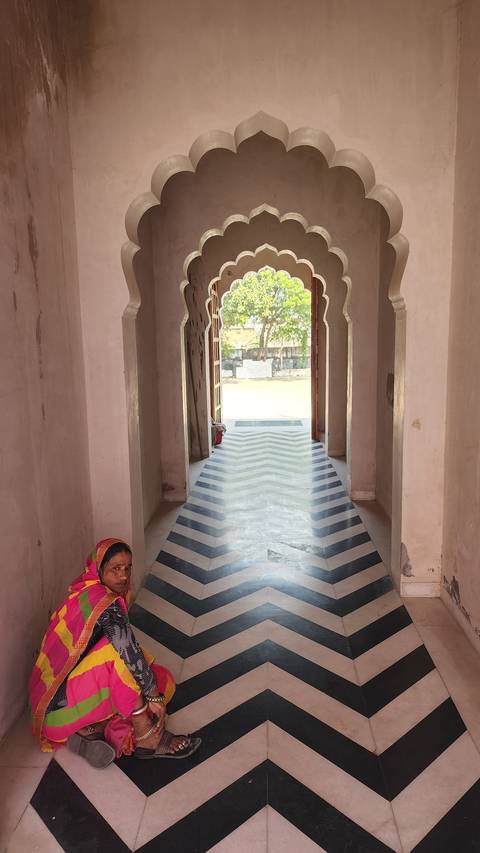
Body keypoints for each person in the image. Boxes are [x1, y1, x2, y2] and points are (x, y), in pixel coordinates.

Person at [29, 537, 201, 768]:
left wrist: (150, 688)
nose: (123, 576)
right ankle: (146, 736)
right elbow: (125, 649)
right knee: (124, 659)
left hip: (72, 708)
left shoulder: (86, 592)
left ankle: (94, 730)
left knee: (162, 678)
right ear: (98, 570)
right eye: (115, 569)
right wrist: (152, 696)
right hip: (58, 714)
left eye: (128, 568)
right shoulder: (102, 601)